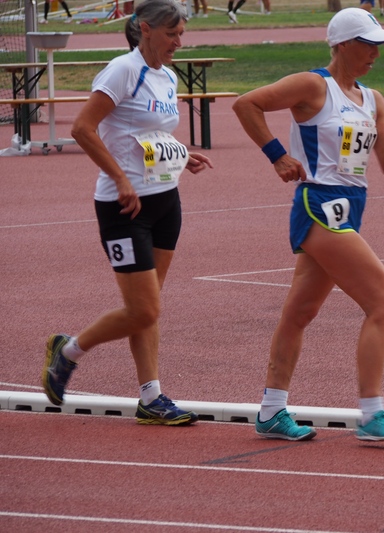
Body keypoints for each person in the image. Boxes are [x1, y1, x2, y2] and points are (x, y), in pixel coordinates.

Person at [232, 7, 384, 442]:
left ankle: (271, 411)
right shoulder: (313, 86)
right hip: (318, 205)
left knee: (300, 312)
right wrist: (277, 155)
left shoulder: (373, 99)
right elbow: (247, 104)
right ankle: (372, 414)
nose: (375, 53)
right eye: (368, 44)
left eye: (379, 45)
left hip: (352, 206)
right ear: (342, 45)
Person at [43, 0, 213, 426]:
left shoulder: (168, 77)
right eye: (172, 33)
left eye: (182, 34)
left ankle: (151, 397)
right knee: (144, 309)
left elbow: (148, 133)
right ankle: (68, 351)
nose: (179, 41)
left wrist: (179, 155)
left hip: (166, 202)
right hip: (124, 208)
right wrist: (119, 178)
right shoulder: (122, 70)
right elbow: (82, 128)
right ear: (145, 29)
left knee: (148, 306)